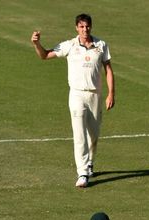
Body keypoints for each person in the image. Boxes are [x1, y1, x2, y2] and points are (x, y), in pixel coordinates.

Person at [31, 13, 115, 188]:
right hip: (76, 94)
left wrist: (111, 94)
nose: (85, 30)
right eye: (82, 27)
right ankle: (82, 173)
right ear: (76, 28)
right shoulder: (69, 45)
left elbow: (108, 70)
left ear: (91, 27)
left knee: (94, 134)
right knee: (79, 135)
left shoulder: (101, 45)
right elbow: (45, 56)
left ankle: (90, 163)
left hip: (95, 95)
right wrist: (36, 44)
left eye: (87, 26)